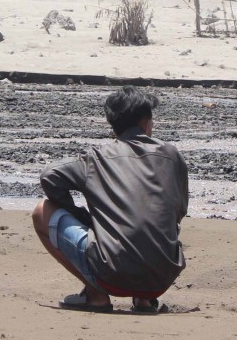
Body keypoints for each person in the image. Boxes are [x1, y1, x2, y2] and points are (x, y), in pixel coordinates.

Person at [31, 86, 188, 313]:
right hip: (161, 277)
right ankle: (144, 300)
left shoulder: (97, 157)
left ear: (113, 125)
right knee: (157, 218)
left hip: (110, 273)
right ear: (146, 123)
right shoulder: (172, 155)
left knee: (41, 211)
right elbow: (178, 211)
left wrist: (79, 215)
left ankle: (95, 295)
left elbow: (49, 176)